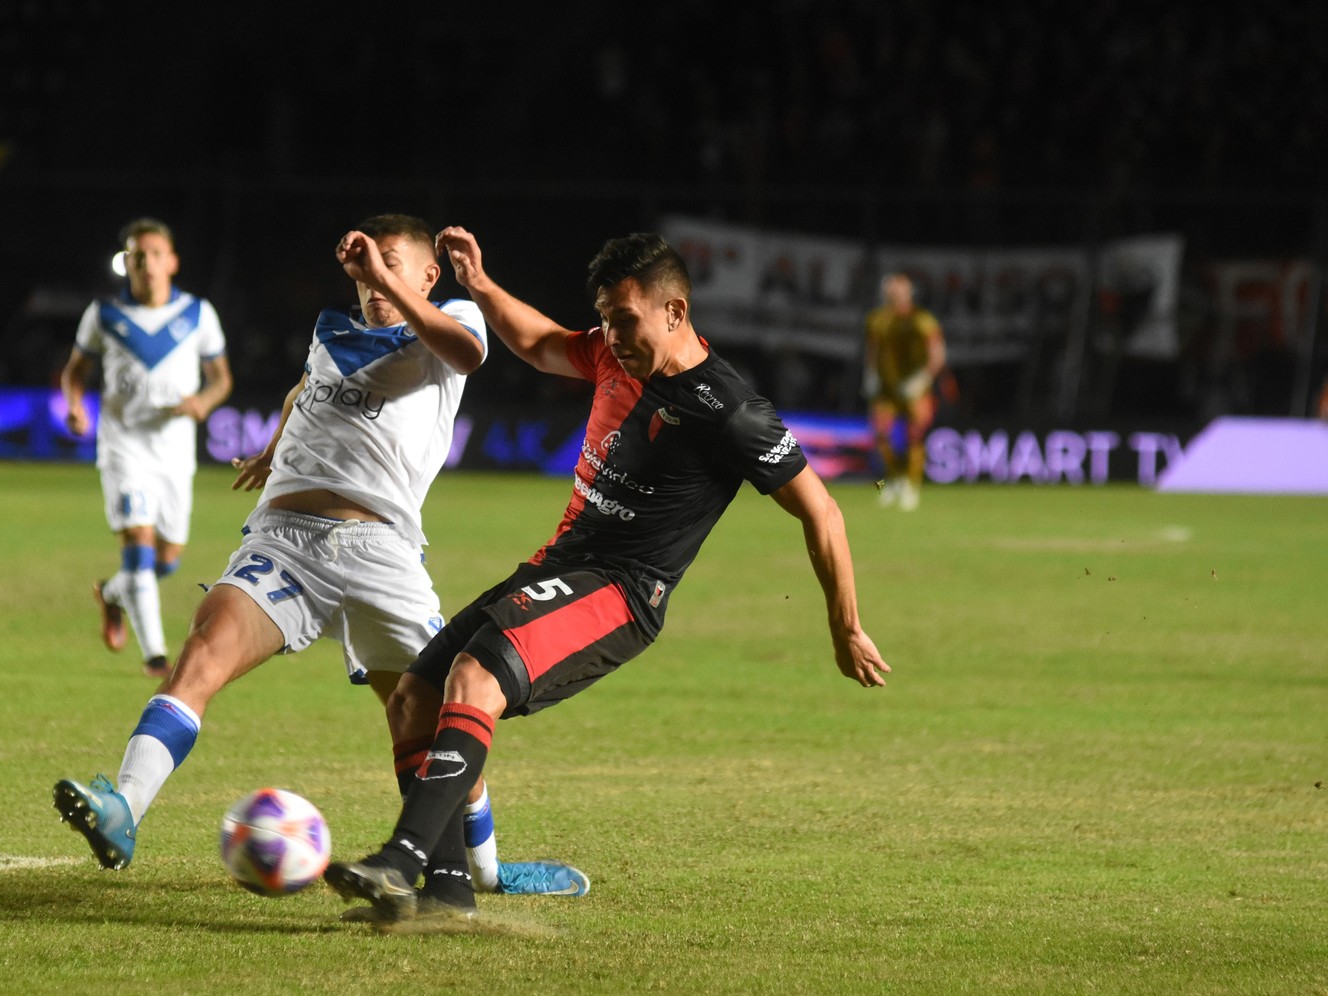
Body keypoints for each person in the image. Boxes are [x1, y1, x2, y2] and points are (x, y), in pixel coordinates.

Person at [323, 228, 891, 923]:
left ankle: (398, 861)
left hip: (621, 592)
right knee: (415, 693)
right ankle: (444, 896)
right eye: (605, 319)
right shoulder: (613, 355)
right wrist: (479, 285)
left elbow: (823, 513)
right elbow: (538, 343)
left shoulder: (729, 410)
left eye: (625, 320)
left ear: (674, 313)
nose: (612, 336)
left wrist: (846, 627)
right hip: (559, 566)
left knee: (473, 677)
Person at [52, 214, 589, 900]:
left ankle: (485, 870)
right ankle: (123, 807)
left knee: (432, 716)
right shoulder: (331, 328)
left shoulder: (453, 315)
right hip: (283, 539)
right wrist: (276, 448)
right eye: (367, 270)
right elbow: (305, 387)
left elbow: (465, 353)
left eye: (393, 265)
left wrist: (382, 277)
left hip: (381, 552)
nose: (373, 283)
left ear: (426, 274)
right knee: (203, 651)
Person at [60, 218, 234, 677]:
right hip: (124, 447)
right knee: (137, 546)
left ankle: (114, 594)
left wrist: (203, 402)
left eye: (156, 254)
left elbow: (221, 380)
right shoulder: (104, 314)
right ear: (128, 265)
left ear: (172, 261)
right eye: (138, 256)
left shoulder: (198, 314)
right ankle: (156, 657)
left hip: (175, 452)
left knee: (167, 560)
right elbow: (75, 369)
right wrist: (75, 405)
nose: (148, 264)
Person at [863, 272, 945, 511]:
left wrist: (922, 379)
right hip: (887, 389)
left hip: (914, 389)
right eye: (890, 291)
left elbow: (937, 353)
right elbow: (872, 349)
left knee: (914, 436)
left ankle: (911, 486)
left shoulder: (922, 319)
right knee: (880, 435)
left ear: (908, 293)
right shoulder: (878, 319)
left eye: (899, 291)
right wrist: (870, 375)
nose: (894, 295)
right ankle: (893, 480)